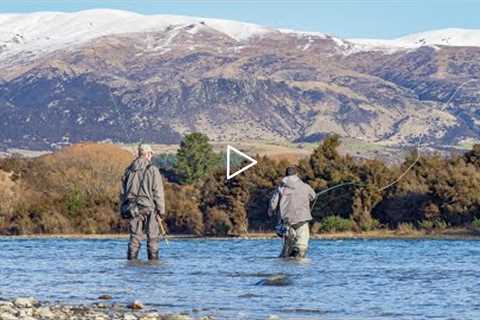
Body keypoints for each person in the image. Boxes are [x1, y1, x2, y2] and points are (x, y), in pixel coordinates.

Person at [120, 144, 165, 260]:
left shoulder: (128, 170)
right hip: (149, 208)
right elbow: (158, 192)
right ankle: (153, 264)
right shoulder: (153, 170)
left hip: (132, 208)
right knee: (153, 238)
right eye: (151, 154)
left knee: (134, 238)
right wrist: (161, 211)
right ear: (148, 154)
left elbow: (122, 192)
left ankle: (131, 263)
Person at [268, 166, 316, 258]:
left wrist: (271, 212)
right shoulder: (305, 186)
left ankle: (287, 265)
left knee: (287, 249)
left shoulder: (280, 188)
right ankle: (298, 267)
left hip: (285, 221)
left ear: (286, 175)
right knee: (301, 247)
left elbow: (273, 203)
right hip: (302, 220)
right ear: (297, 174)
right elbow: (313, 196)